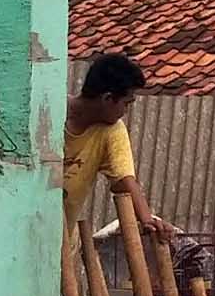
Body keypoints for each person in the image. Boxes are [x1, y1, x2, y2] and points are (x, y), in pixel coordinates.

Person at [63, 52, 172, 237]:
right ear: (108, 99)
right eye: (126, 103)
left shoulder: (112, 131)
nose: (126, 111)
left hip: (60, 243)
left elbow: (124, 180)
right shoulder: (49, 110)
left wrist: (147, 221)